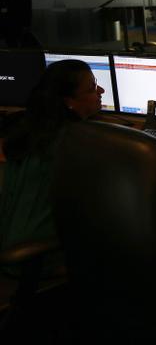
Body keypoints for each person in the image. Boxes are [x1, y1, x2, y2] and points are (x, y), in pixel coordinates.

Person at [0, 59, 104, 257]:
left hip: (11, 245)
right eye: (91, 89)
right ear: (69, 101)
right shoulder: (71, 146)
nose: (101, 91)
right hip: (36, 260)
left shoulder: (30, 133)